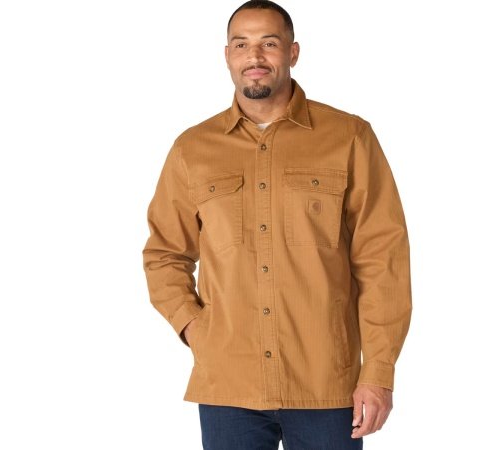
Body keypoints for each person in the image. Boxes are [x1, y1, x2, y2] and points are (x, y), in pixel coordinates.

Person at [142, 1, 412, 448]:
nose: (255, 56)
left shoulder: (349, 137)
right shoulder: (192, 150)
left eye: (269, 43)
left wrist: (379, 372)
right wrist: (195, 327)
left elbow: (382, 258)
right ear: (227, 56)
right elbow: (164, 254)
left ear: (293, 52)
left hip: (328, 384)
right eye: (241, 45)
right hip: (228, 384)